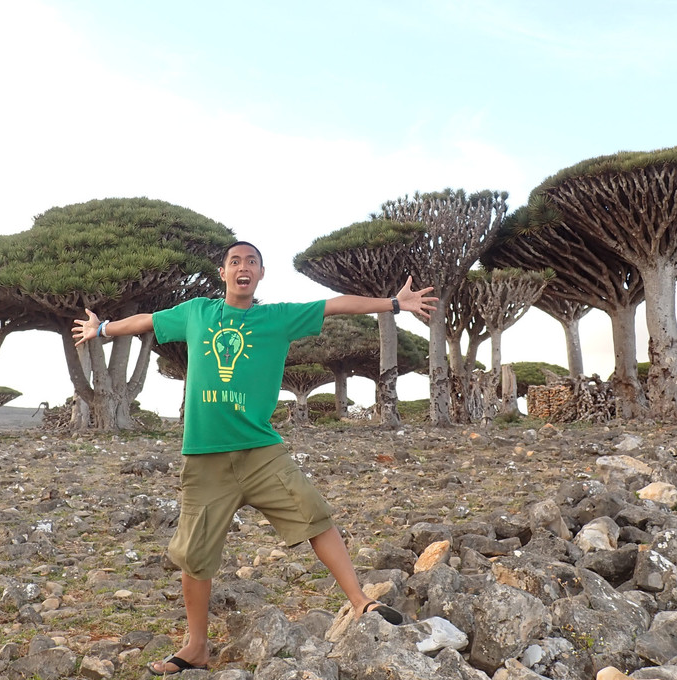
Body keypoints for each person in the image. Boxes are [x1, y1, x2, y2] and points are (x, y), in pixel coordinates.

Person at [72, 240, 438, 676]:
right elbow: (146, 322)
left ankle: (361, 603)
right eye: (234, 261)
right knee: (194, 555)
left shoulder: (275, 318)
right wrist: (102, 329)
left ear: (260, 274)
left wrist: (395, 303)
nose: (242, 267)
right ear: (223, 273)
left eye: (251, 262)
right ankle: (196, 647)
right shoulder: (196, 313)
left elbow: (335, 305)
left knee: (314, 515)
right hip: (205, 457)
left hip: (261, 451)